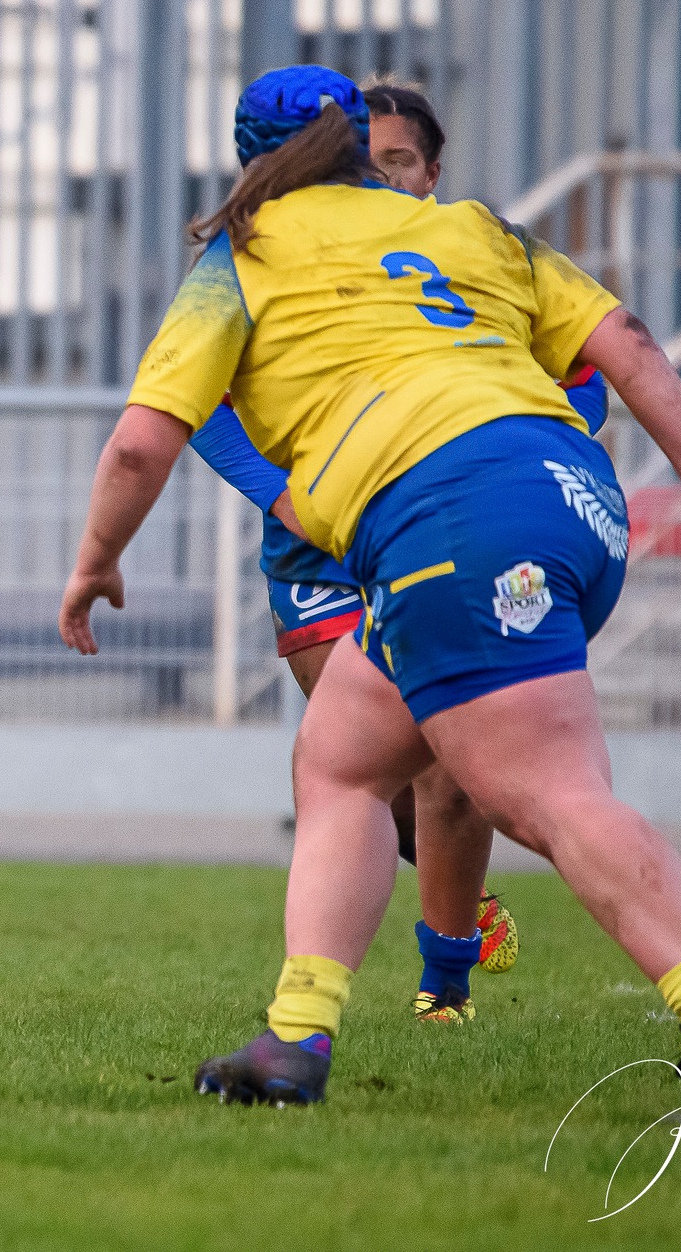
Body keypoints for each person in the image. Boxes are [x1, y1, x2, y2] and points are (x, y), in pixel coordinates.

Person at [59, 66, 681, 1117]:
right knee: (340, 760)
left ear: (249, 160)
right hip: (567, 499)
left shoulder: (243, 255)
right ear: (357, 145)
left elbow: (142, 444)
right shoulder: (463, 226)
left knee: (545, 792)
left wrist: (94, 561)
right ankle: (292, 1038)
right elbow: (621, 340)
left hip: (451, 513)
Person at [186, 80, 612, 1023]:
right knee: (372, 768)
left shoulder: (466, 252)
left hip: (456, 522)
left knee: (443, 769)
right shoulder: (277, 258)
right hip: (323, 554)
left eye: (396, 163)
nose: (374, 177)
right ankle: (444, 914)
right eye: (359, 159)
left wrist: (532, 451)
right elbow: (199, 407)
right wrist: (284, 497)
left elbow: (582, 373)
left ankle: (440, 981)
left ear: (429, 172)